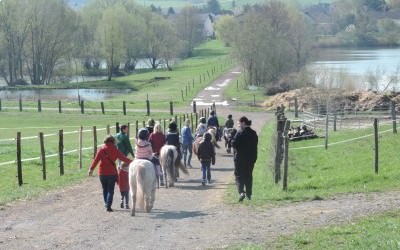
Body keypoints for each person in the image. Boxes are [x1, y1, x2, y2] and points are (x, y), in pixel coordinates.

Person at [88, 135, 132, 212]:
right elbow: (123, 158)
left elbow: (96, 160)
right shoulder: (115, 149)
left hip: (102, 173)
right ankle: (108, 205)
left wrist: (91, 169)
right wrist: (133, 162)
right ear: (113, 141)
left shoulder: (101, 149)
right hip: (112, 173)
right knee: (110, 190)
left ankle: (106, 203)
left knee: (105, 189)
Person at [231, 116, 258, 202]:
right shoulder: (254, 133)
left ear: (243, 123)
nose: (238, 125)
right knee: (248, 176)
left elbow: (234, 144)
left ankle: (241, 192)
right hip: (251, 159)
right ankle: (249, 194)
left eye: (239, 123)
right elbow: (255, 146)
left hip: (240, 158)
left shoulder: (239, 133)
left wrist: (232, 139)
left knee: (239, 176)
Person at [115, 124, 134, 209]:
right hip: (124, 156)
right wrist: (133, 155)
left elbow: (115, 146)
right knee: (125, 170)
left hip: (118, 155)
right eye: (126, 129)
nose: (127, 130)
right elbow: (129, 146)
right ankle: (126, 201)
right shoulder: (125, 137)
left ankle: (119, 180)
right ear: (123, 129)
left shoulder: (116, 136)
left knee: (119, 169)